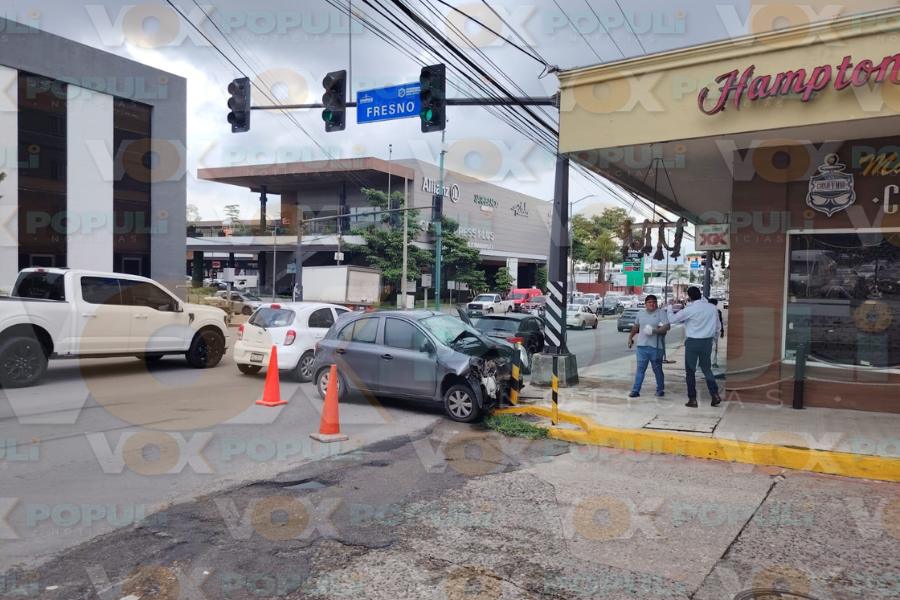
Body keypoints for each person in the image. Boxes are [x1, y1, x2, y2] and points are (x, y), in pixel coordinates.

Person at [667, 286, 723, 408]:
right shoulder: (712, 308)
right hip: (707, 342)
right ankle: (715, 394)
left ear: (689, 296)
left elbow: (672, 319)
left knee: (690, 371)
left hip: (693, 342)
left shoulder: (690, 309)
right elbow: (718, 328)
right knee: (707, 370)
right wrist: (713, 340)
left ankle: (692, 399)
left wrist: (669, 308)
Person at [627, 295, 670, 398]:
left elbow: (667, 326)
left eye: (654, 302)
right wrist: (630, 338)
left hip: (656, 347)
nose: (652, 304)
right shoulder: (641, 313)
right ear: (645, 304)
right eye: (650, 302)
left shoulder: (661, 313)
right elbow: (636, 326)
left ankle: (660, 389)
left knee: (657, 370)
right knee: (640, 369)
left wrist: (655, 331)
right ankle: (635, 390)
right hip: (642, 346)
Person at [708, 298, 725, 367]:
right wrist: (722, 331)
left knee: (707, 348)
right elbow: (720, 322)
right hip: (715, 332)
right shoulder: (718, 311)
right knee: (714, 348)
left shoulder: (706, 311)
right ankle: (714, 363)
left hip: (707, 333)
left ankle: (705, 362)